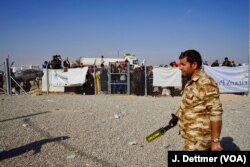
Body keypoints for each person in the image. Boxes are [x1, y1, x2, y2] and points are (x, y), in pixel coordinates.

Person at [169, 49, 223, 151]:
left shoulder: (206, 82)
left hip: (200, 138)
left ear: (194, 65)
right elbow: (187, 103)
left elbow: (216, 112)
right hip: (191, 136)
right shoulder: (191, 81)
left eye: (183, 65)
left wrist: (215, 142)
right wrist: (176, 116)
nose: (180, 67)